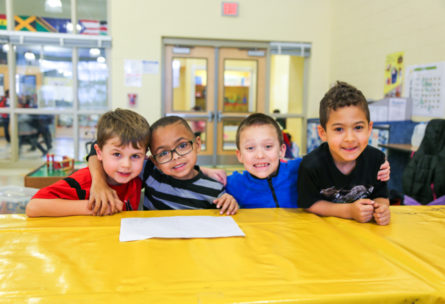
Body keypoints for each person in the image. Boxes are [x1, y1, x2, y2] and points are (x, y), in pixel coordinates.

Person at [225, 113, 390, 209]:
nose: (260, 155)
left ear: (282, 150)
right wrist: (221, 192)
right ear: (239, 155)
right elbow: (201, 182)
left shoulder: (301, 168)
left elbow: (337, 158)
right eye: (250, 148)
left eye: (268, 146)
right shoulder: (232, 184)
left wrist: (378, 165)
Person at [87, 115, 238, 216]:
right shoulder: (150, 172)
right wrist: (99, 182)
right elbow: (97, 148)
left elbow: (224, 215)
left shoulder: (213, 187)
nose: (176, 157)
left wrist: (230, 203)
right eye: (163, 153)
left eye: (183, 145)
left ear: (197, 144)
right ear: (154, 161)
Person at [26, 108, 150, 217]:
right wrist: (95, 207)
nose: (126, 165)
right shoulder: (83, 181)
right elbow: (33, 207)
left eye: (135, 156)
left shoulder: (136, 179)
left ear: (145, 156)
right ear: (99, 153)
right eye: (117, 154)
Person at [297, 81, 390, 225]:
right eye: (339, 129)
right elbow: (309, 203)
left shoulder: (377, 160)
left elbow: (381, 196)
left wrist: (381, 208)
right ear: (323, 133)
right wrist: (349, 211)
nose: (350, 138)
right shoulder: (311, 165)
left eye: (358, 127)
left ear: (369, 128)